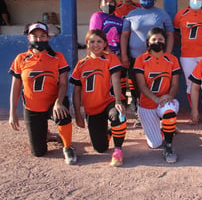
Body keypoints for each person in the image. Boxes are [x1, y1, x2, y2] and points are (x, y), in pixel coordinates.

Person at [8, 22, 76, 164]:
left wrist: (58, 102)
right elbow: (16, 87)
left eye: (42, 36)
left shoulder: (57, 57)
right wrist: (12, 112)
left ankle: (68, 147)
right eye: (35, 36)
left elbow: (63, 83)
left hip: (53, 103)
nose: (39, 39)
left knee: (62, 113)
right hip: (33, 107)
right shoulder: (21, 59)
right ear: (29, 38)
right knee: (38, 152)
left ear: (48, 38)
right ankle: (47, 135)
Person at [71, 29, 127, 167]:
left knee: (118, 115)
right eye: (92, 41)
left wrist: (118, 101)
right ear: (87, 44)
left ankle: (118, 150)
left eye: (99, 41)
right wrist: (78, 113)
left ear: (105, 44)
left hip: (108, 101)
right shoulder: (81, 64)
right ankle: (109, 132)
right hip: (91, 108)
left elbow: (115, 79)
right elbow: (76, 91)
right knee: (100, 148)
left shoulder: (110, 58)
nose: (95, 45)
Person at [120, 0, 174, 126]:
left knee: (158, 87)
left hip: (157, 60)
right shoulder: (132, 14)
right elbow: (125, 35)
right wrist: (124, 55)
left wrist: (167, 54)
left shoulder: (162, 14)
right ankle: (140, 115)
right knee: (136, 88)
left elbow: (170, 34)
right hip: (135, 59)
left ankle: (162, 114)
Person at [133, 27, 181, 163]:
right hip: (148, 104)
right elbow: (142, 86)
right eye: (154, 39)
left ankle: (169, 145)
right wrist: (156, 99)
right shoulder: (141, 60)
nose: (157, 42)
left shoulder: (172, 59)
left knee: (169, 110)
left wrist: (169, 96)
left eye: (160, 39)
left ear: (165, 41)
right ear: (148, 42)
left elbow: (175, 85)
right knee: (154, 144)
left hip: (166, 101)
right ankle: (164, 128)